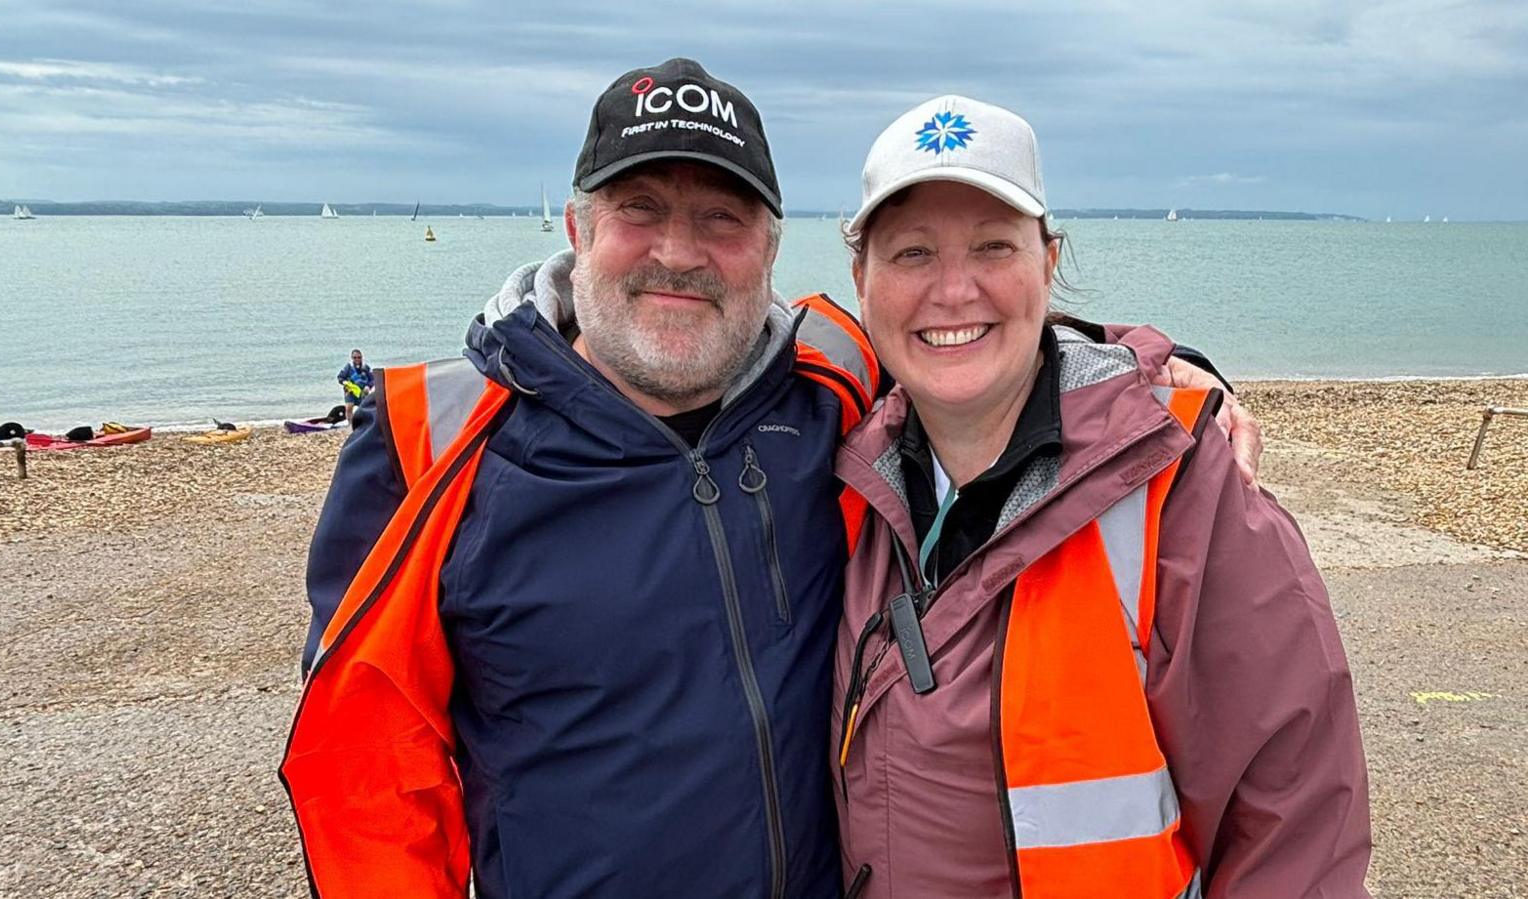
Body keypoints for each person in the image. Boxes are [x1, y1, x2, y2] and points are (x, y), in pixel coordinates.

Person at [282, 60, 1257, 899]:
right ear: (577, 230)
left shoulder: (830, 375)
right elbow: (371, 773)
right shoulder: (432, 444)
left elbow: (962, 329)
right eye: (640, 210)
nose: (678, 251)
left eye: (720, 217)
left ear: (769, 248)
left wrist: (1145, 363)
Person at [829, 96, 1370, 898]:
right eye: (911, 254)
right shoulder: (842, 460)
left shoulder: (1179, 485)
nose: (953, 290)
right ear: (861, 282)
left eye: (992, 246)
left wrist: (1150, 365)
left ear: (1047, 263)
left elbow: (1295, 819)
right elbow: (710, 331)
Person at [336, 348, 373, 422]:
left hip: (362, 391)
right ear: (352, 358)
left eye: (359, 357)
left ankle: (364, 422)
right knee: (349, 407)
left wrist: (368, 386)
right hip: (350, 391)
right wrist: (345, 382)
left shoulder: (366, 367)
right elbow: (340, 377)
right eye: (355, 357)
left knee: (364, 408)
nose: (357, 359)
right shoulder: (348, 367)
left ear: (361, 357)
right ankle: (350, 423)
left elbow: (372, 379)